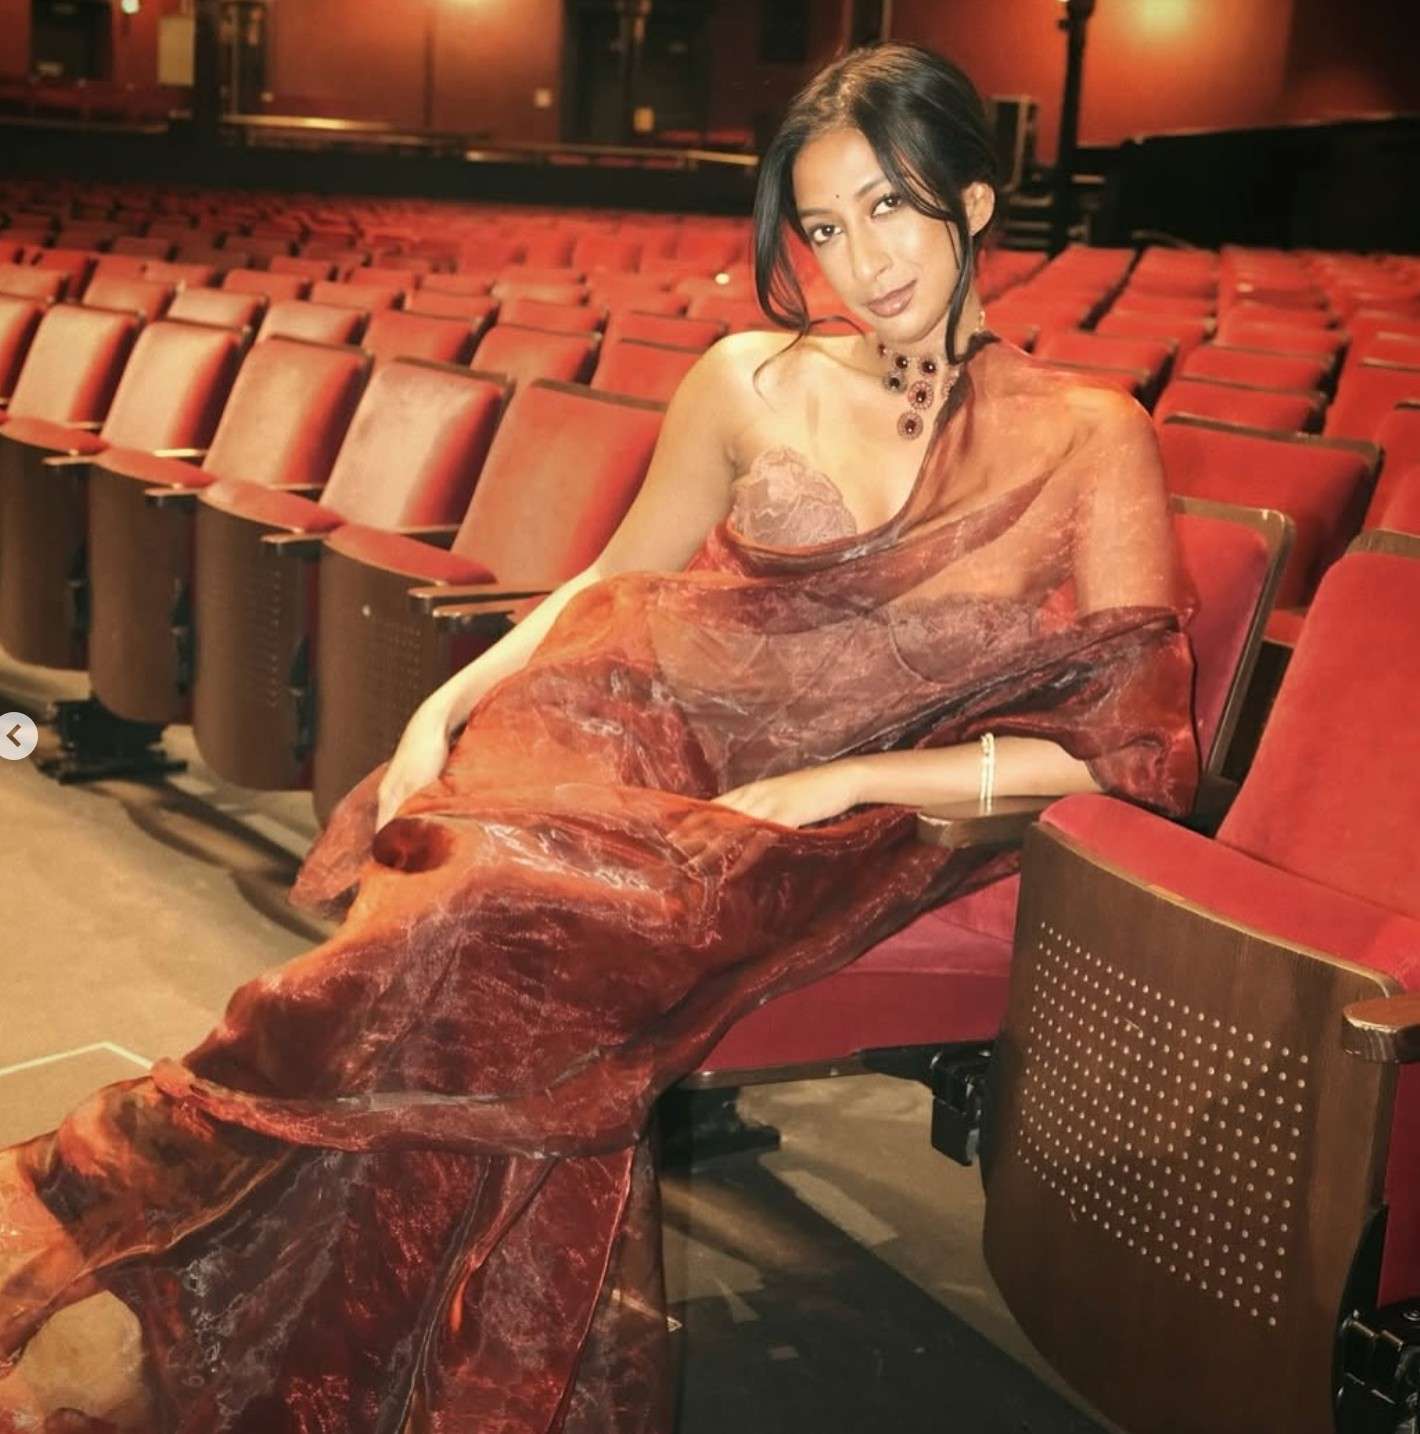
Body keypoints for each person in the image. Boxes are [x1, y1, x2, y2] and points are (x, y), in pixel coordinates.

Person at [0, 41, 1198, 1434]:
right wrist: (446, 702)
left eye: (891, 206)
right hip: (632, 724)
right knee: (457, 896)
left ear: (975, 201)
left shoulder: (1091, 435)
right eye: (822, 227)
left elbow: (1120, 753)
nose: (861, 260)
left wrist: (840, 781)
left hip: (833, 820)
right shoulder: (748, 377)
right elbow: (611, 580)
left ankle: (248, 1254)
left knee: (485, 921)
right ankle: (301, 1289)